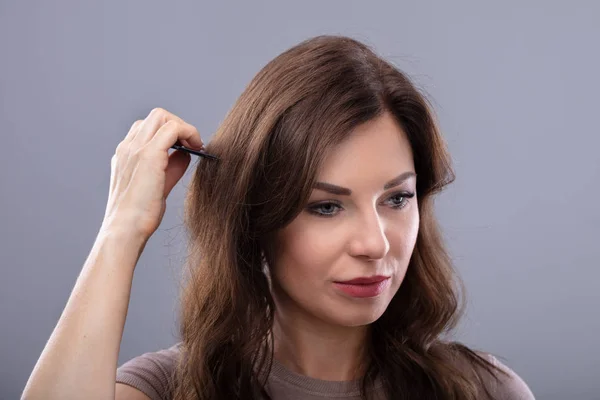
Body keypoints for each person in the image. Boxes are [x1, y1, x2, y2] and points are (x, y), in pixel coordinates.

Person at [22, 35, 535, 400]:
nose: (376, 244)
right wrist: (120, 230)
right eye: (326, 206)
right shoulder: (169, 389)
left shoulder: (483, 390)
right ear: (254, 220)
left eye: (396, 199)